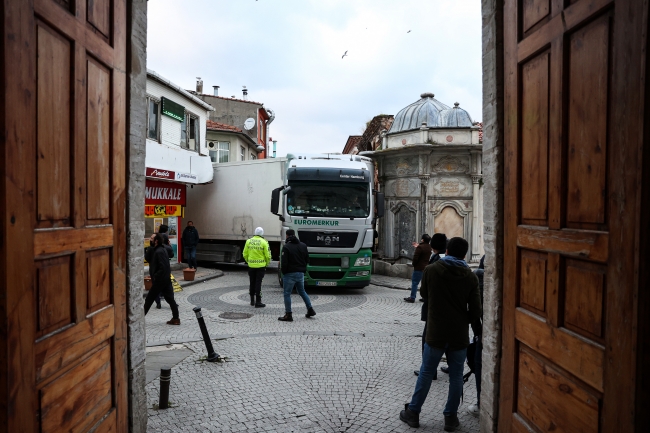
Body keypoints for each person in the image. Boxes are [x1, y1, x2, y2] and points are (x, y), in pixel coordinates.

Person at [400, 237, 481, 432]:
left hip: (435, 331)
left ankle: (414, 412)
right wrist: (465, 320)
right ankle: (450, 418)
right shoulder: (470, 277)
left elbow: (425, 295)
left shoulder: (431, 270)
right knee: (455, 376)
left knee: (427, 372)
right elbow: (476, 311)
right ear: (464, 254)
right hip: (458, 335)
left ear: (447, 250)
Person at [414, 233, 447, 377]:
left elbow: (425, 291)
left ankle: (429, 370)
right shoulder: (453, 262)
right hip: (449, 310)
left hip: (434, 309)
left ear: (433, 246)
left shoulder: (434, 263)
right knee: (447, 339)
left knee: (428, 339)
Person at [278, 229, 316, 322]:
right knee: (302, 291)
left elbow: (284, 263)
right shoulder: (303, 245)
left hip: (290, 274)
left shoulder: (286, 247)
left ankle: (288, 314)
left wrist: (284, 272)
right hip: (300, 273)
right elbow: (307, 259)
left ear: (287, 236)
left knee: (287, 294)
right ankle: (310, 309)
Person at [144, 233, 181, 325]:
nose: (150, 240)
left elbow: (163, 266)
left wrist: (156, 276)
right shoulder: (161, 249)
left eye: (152, 239)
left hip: (160, 280)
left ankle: (139, 321)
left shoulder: (159, 251)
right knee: (170, 299)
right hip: (165, 279)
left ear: (156, 241)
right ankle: (176, 318)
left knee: (149, 299)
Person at [467, 254, 485, 417]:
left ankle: (481, 404)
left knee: (479, 365)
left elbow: (474, 310)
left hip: (484, 333)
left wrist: (478, 333)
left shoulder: (478, 275)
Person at [243, 227, 271, 308]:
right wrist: (267, 263)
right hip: (261, 266)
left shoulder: (249, 241)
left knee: (252, 282)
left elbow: (244, 253)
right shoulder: (264, 242)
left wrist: (248, 261)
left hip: (251, 266)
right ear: (262, 233)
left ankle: (252, 300)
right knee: (258, 283)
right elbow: (268, 255)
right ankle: (258, 301)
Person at [404, 234, 432, 303]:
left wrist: (414, 264)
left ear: (423, 239)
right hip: (426, 267)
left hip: (419, 268)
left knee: (415, 283)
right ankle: (425, 297)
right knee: (424, 283)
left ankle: (412, 297)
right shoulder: (429, 247)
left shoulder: (420, 247)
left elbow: (415, 257)